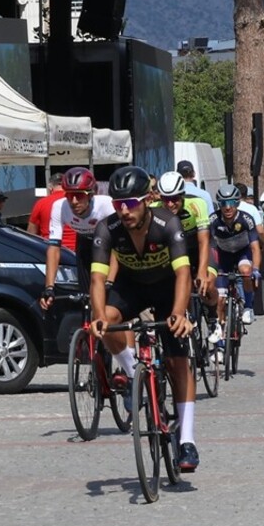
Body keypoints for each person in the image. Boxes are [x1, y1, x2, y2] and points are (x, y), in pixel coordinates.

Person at [89, 166, 200, 471]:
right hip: (132, 287)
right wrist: (98, 317)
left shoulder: (168, 223)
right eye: (117, 204)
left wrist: (179, 313)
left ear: (149, 200)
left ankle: (187, 439)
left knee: (178, 359)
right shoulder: (107, 229)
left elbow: (183, 274)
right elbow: (98, 280)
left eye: (131, 203)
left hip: (167, 289)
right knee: (108, 321)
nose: (124, 211)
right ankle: (132, 371)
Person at [39, 167, 115, 308]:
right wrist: (49, 287)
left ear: (90, 195)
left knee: (105, 295)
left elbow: (119, 247)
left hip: (109, 246)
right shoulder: (59, 207)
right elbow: (54, 248)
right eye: (69, 195)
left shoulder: (106, 205)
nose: (73, 201)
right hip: (84, 244)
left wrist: (109, 281)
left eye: (79, 196)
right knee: (87, 300)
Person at [208, 182, 262, 335]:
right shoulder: (213, 220)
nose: (227, 207)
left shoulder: (246, 219)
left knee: (245, 271)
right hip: (223, 255)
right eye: (223, 203)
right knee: (219, 298)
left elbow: (255, 248)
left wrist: (256, 270)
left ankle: (248, 307)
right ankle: (219, 327)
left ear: (237, 203)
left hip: (242, 252)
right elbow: (206, 245)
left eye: (231, 203)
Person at [157, 170, 215, 306]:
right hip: (177, 252)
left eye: (174, 199)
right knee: (180, 288)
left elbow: (204, 241)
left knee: (208, 285)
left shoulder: (197, 204)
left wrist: (201, 272)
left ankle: (213, 317)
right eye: (165, 199)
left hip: (200, 248)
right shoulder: (154, 209)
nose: (170, 204)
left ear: (182, 195)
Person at [28, 172, 77, 251]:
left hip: (50, 249)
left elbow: (31, 233)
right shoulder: (76, 201)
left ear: (50, 187)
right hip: (74, 251)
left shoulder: (41, 203)